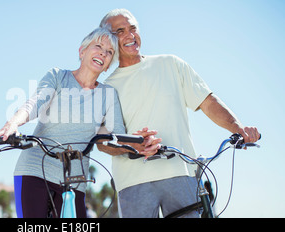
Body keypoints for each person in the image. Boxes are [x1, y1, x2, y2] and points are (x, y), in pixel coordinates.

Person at [97, 9, 260, 218]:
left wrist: (239, 129)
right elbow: (102, 142)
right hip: (132, 182)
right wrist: (133, 145)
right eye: (120, 31)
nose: (130, 35)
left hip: (182, 173)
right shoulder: (106, 88)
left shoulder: (171, 64)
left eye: (133, 28)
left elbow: (208, 102)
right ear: (108, 39)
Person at [0, 27, 161, 218]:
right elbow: (36, 103)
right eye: (98, 46)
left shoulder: (108, 95)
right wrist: (13, 123)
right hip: (34, 169)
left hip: (74, 178)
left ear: (108, 64)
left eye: (109, 52)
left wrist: (138, 144)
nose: (103, 52)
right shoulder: (58, 77)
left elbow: (117, 137)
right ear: (82, 51)